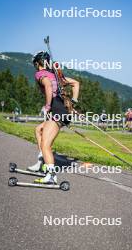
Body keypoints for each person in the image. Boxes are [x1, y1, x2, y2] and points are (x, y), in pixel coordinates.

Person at [27, 51, 80, 184]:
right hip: (62, 111)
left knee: (45, 145)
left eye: (35, 63)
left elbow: (49, 86)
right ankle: (41, 162)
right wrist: (73, 101)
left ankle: (51, 175)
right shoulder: (55, 75)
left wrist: (47, 106)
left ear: (37, 63)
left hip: (57, 111)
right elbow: (76, 83)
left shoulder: (40, 74)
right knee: (38, 130)